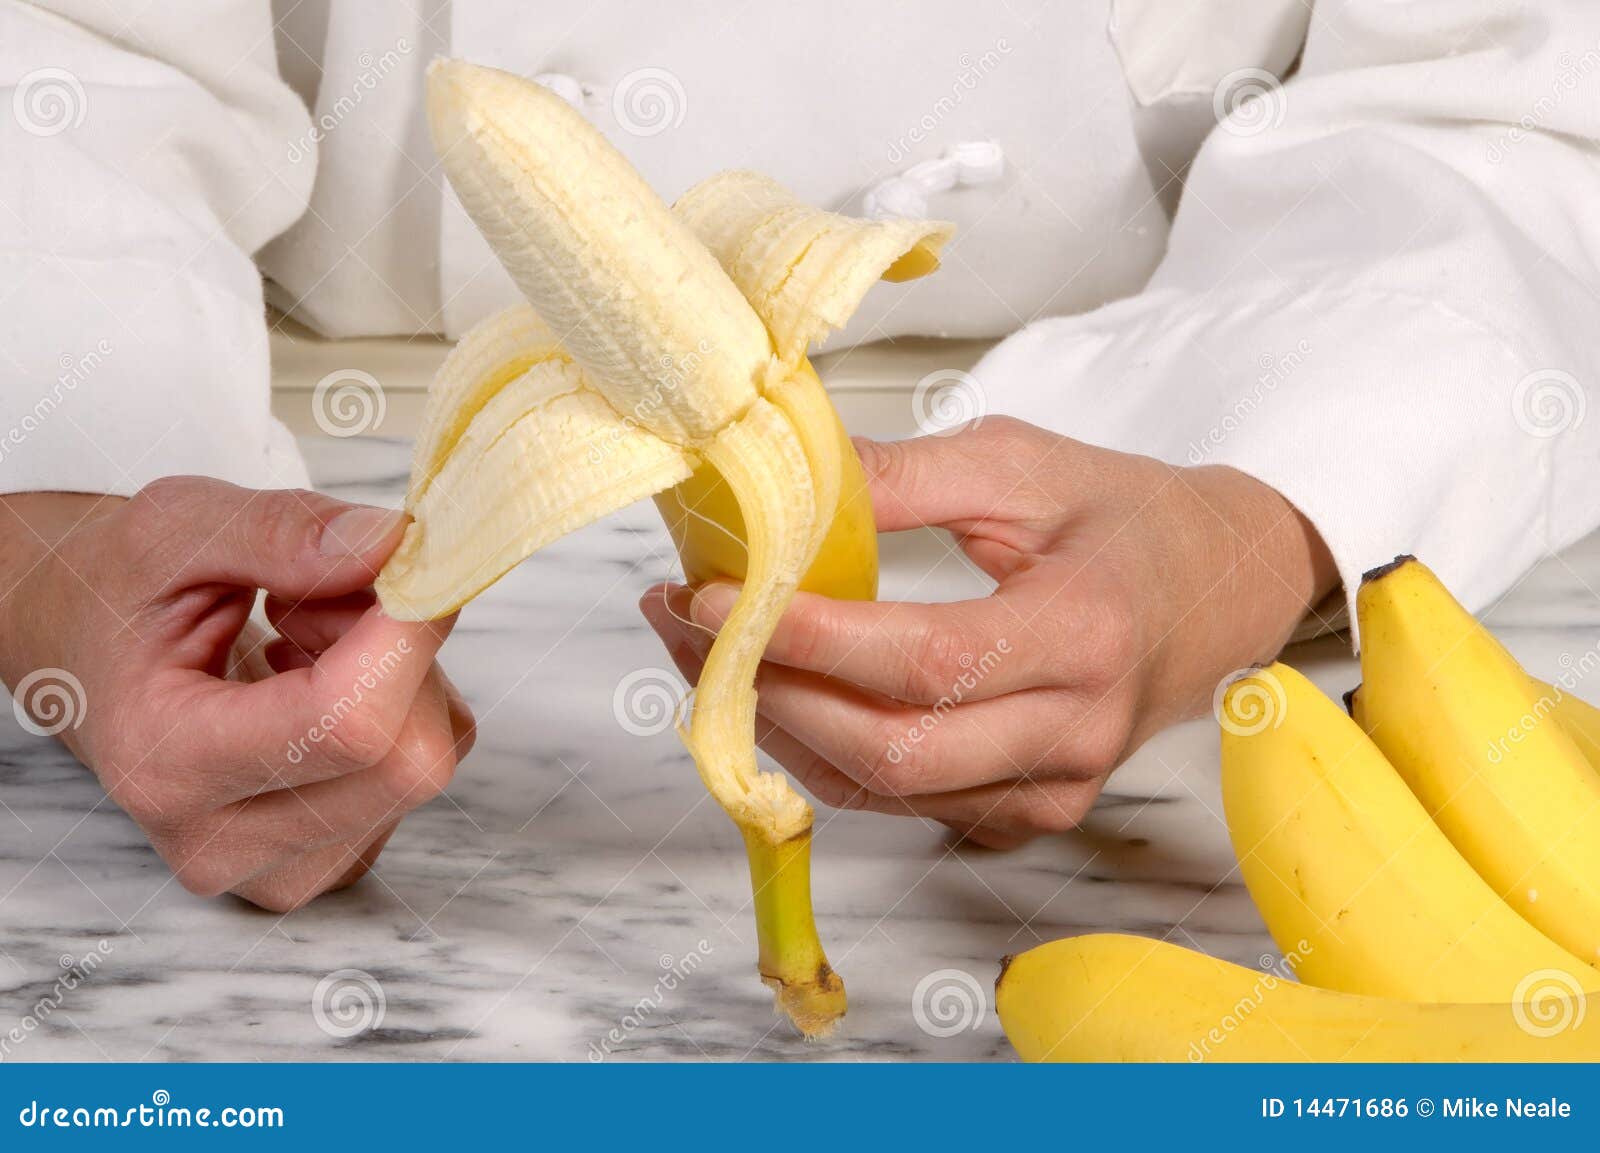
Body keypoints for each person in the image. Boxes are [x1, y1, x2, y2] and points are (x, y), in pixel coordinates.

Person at [3, 1, 1597, 901]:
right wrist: (53, 527)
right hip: (285, 436)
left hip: (1256, 461)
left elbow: (1515, 108)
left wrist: (1250, 514)